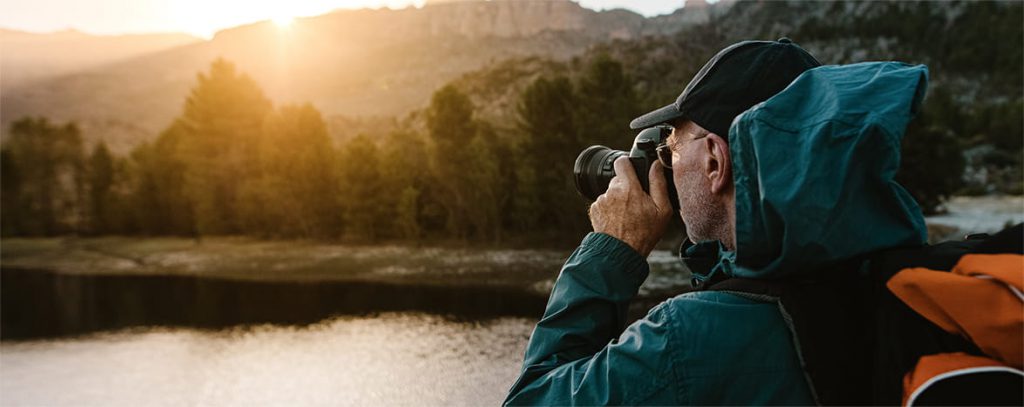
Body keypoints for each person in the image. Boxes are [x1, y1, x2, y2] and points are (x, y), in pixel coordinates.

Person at [504, 38, 932, 405]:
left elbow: (533, 398)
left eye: (671, 148)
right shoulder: (901, 281)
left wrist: (612, 251)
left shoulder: (687, 340)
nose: (666, 166)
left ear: (714, 161)